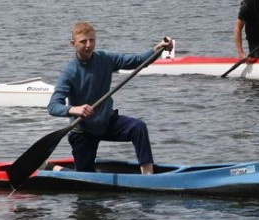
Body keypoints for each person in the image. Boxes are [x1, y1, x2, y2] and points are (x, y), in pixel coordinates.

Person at [47, 21, 173, 174]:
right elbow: (53, 106)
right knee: (86, 178)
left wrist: (158, 48)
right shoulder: (69, 72)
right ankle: (55, 169)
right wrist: (74, 109)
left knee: (138, 128)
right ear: (73, 44)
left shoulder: (105, 58)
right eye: (83, 41)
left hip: (106, 122)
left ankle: (148, 175)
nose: (88, 45)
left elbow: (138, 61)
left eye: (92, 40)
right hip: (83, 132)